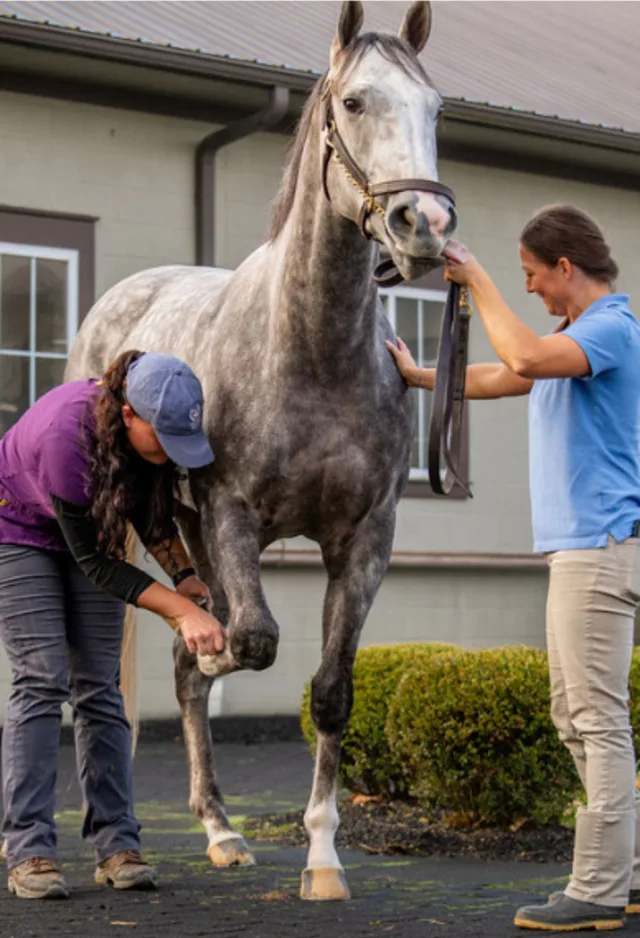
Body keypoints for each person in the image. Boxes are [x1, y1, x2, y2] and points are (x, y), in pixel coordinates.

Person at [387, 204, 640, 933]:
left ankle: (597, 889)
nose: (527, 288)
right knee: (577, 716)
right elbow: (508, 373)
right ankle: (625, 866)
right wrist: (420, 374)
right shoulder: (578, 336)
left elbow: (522, 356)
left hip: (599, 547)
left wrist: (478, 280)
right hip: (580, 547)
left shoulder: (613, 329)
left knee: (596, 720)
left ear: (565, 266)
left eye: (532, 275)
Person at [0, 349, 225, 900]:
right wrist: (182, 611)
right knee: (43, 676)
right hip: (17, 531)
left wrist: (185, 576)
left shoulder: (151, 441)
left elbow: (148, 511)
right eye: (164, 440)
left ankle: (117, 843)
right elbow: (97, 564)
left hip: (88, 532)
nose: (171, 454)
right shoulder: (65, 436)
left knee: (101, 685)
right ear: (128, 414)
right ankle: (29, 847)